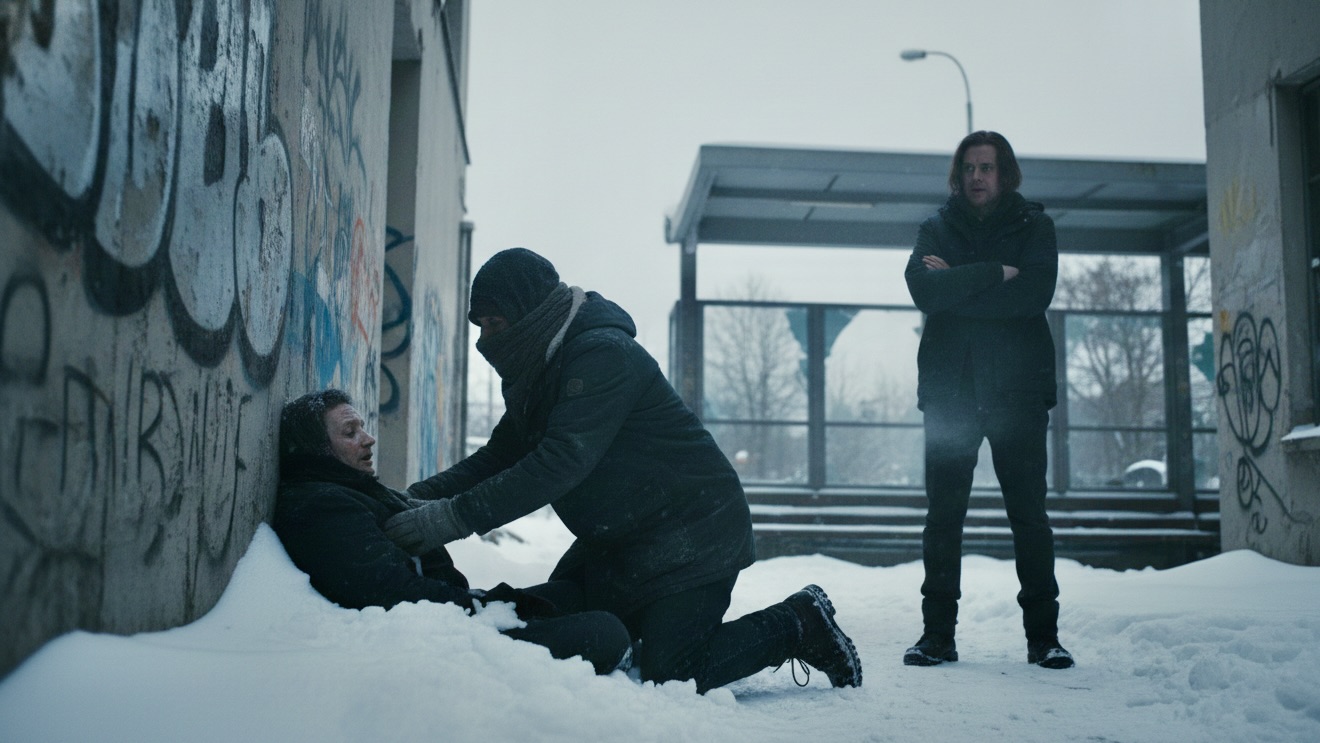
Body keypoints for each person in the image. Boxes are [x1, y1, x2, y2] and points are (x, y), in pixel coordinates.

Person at [382, 248, 863, 693]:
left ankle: (799, 622)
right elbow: (499, 457)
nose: (486, 339)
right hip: (620, 539)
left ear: (531, 314)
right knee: (550, 614)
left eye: (496, 322)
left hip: (694, 534)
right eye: (481, 325)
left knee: (674, 672)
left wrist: (448, 519)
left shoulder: (602, 355)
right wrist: (411, 499)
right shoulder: (541, 370)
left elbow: (561, 461)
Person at [272, 388, 632, 675]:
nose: (368, 439)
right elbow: (389, 591)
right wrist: (479, 605)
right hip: (442, 637)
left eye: (362, 428)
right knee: (605, 632)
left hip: (451, 612)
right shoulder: (322, 506)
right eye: (350, 433)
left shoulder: (347, 489)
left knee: (571, 594)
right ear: (317, 450)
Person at [902, 131, 1074, 670]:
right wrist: (994, 273)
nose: (977, 176)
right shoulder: (936, 227)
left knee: (1029, 518)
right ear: (958, 174)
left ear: (1005, 174)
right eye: (969, 168)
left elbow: (1033, 296)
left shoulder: (1035, 227)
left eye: (987, 167)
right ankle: (937, 637)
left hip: (1018, 394)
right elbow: (924, 291)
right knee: (942, 518)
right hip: (951, 394)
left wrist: (956, 287)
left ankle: (1044, 639)